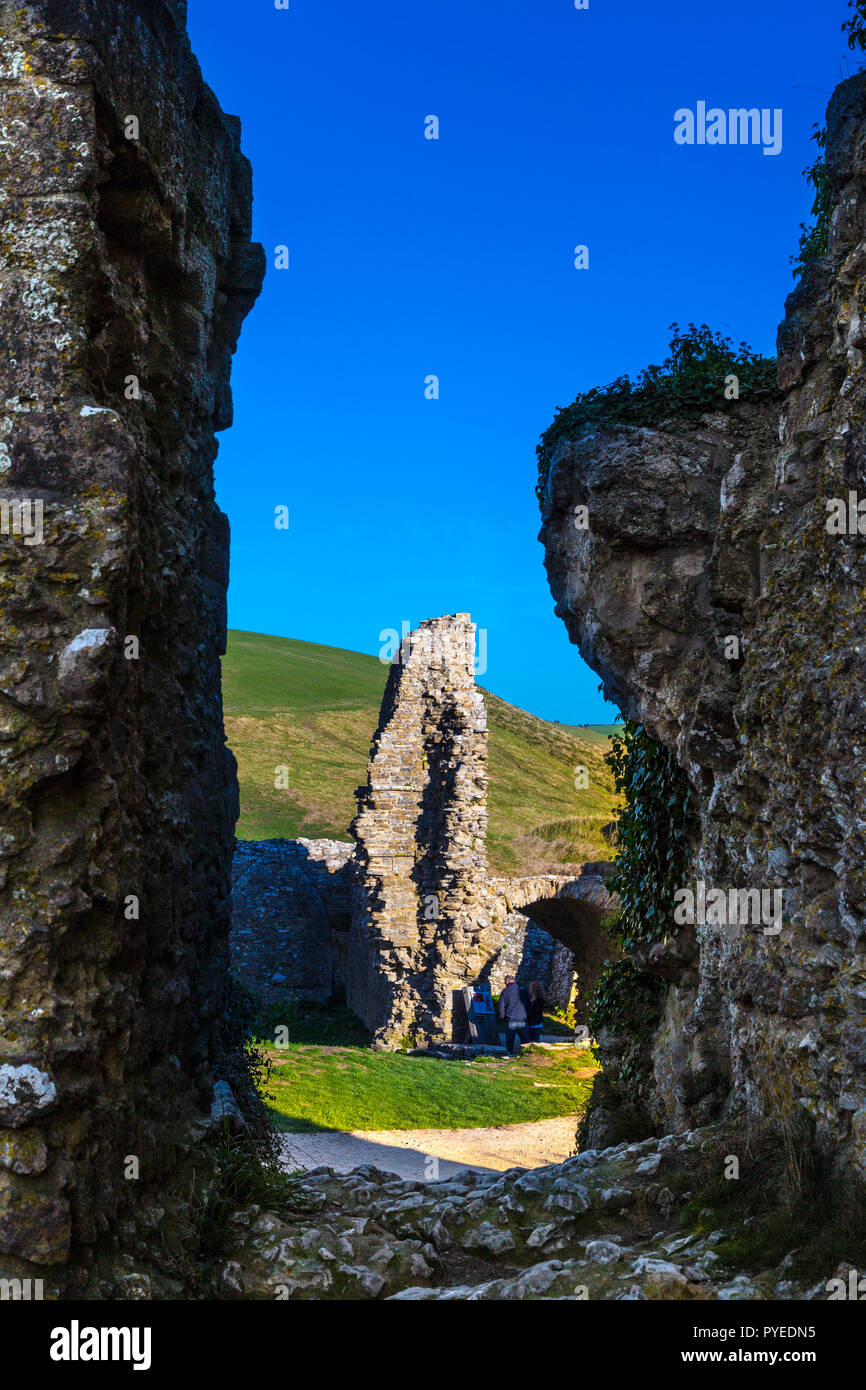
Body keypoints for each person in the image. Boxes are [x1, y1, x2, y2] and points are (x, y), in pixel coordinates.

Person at [499, 975, 529, 1055]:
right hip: (522, 1019)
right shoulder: (523, 990)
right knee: (525, 1040)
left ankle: (510, 1054)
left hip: (510, 1019)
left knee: (510, 1040)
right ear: (513, 980)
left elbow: (501, 1007)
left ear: (507, 981)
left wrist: (502, 1017)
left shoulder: (505, 991)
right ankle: (526, 1055)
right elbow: (529, 1003)